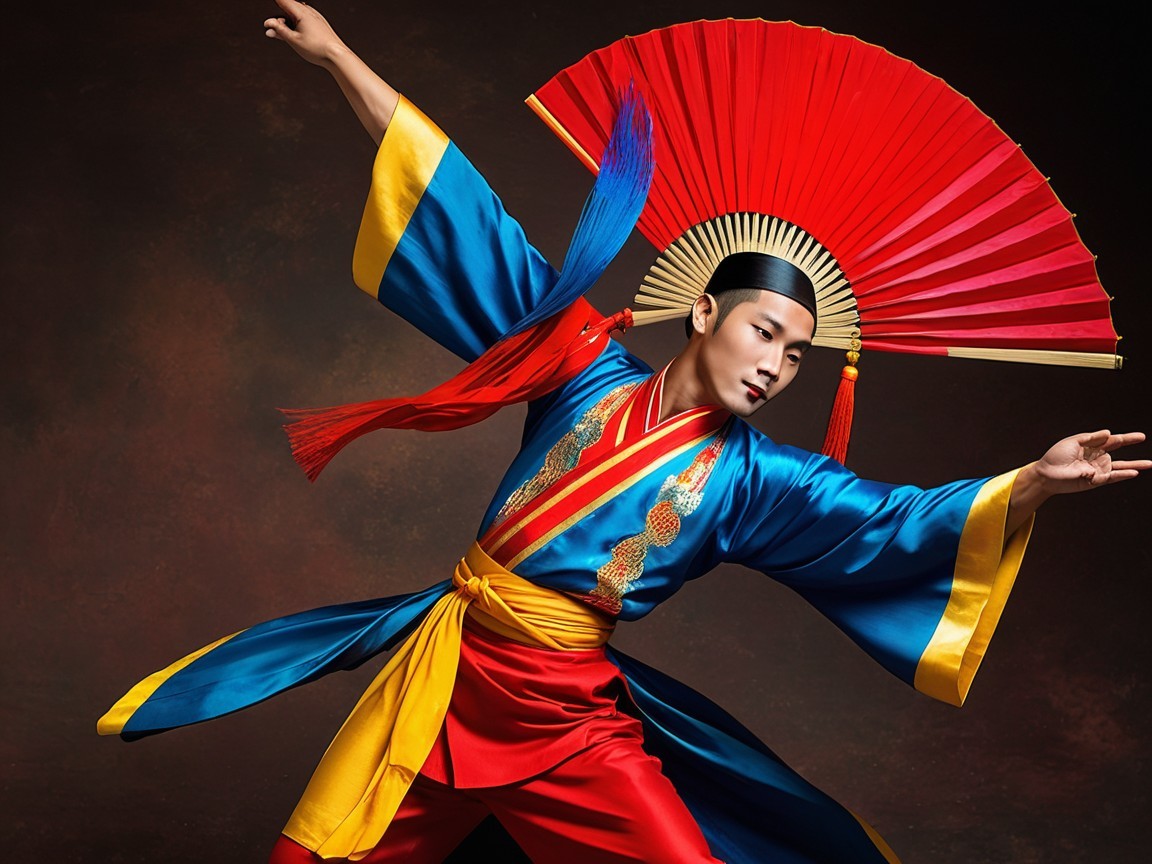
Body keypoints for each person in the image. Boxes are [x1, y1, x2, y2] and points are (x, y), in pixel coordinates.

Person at [99, 3, 1149, 862]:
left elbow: (893, 521)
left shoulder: (758, 479)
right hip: (442, 676)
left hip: (566, 722)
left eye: (797, 355)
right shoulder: (579, 366)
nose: (776, 365)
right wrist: (339, 60)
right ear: (705, 311)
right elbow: (468, 217)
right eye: (765, 333)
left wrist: (1035, 481)